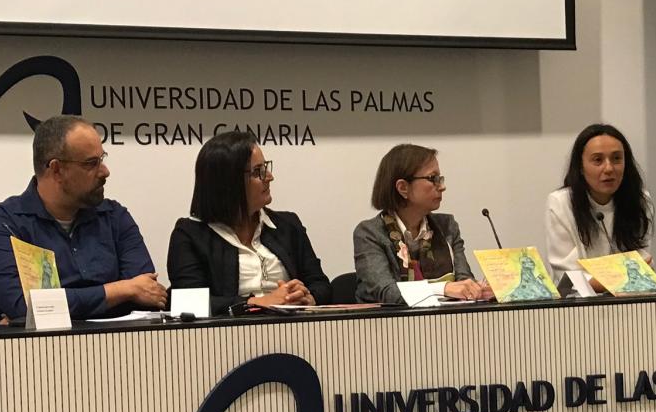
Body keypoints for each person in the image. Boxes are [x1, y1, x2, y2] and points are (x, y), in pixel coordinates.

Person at [0, 114, 167, 324]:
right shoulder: (6, 225)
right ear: (56, 169)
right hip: (37, 352)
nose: (105, 171)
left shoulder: (115, 217)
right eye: (91, 163)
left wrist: (57, 304)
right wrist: (122, 289)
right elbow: (25, 307)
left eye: (102, 159)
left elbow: (147, 294)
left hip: (117, 348)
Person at [167, 130, 330, 314]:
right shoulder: (190, 234)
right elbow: (188, 303)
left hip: (295, 333)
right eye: (257, 172)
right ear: (228, 182)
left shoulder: (287, 225)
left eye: (266, 167)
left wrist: (308, 296)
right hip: (226, 337)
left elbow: (321, 284)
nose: (269, 177)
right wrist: (257, 302)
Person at [353, 144, 490, 305]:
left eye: (440, 179)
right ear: (403, 188)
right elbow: (385, 292)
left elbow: (463, 281)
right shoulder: (370, 233)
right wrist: (444, 288)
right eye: (433, 179)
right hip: (388, 327)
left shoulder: (447, 226)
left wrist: (477, 289)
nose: (442, 186)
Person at [544, 123, 654, 281]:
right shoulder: (560, 203)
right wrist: (620, 278)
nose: (609, 168)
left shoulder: (640, 200)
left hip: (628, 300)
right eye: (598, 160)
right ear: (581, 167)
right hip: (577, 302)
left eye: (616, 159)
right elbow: (567, 277)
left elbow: (644, 263)